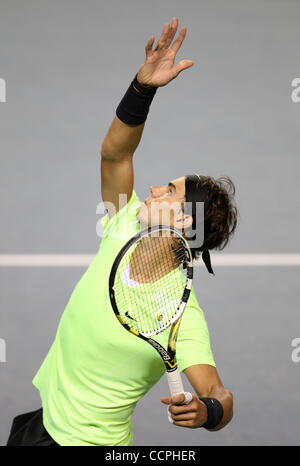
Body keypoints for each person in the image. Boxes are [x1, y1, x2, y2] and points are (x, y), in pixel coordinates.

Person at [6, 17, 237, 447]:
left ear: (184, 222)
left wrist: (210, 412)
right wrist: (142, 87)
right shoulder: (123, 222)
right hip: (44, 420)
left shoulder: (180, 318)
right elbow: (115, 154)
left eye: (169, 190)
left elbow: (217, 393)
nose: (153, 188)